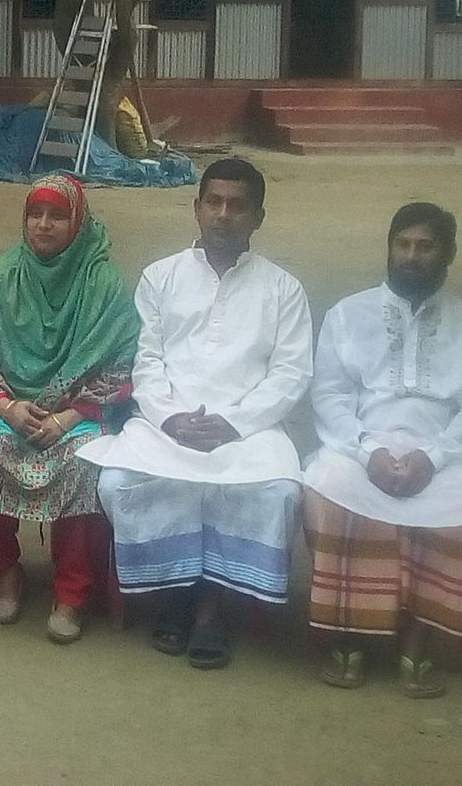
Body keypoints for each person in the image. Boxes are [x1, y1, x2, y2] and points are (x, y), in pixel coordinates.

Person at [78, 157, 311, 670]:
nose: (224, 215)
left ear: (258, 217)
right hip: (168, 423)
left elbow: (291, 373)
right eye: (214, 202)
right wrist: (169, 418)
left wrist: (235, 424)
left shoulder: (283, 289)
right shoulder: (160, 277)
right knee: (121, 483)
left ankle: (213, 606)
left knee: (276, 491)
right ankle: (176, 594)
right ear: (197, 208)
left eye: (237, 206)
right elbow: (146, 360)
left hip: (249, 429)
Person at [302, 203, 462, 698]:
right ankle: (351, 634)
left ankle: (417, 639)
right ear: (389, 248)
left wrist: (432, 459)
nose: (412, 256)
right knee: (327, 487)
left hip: (445, 456)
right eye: (402, 244)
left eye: (426, 246)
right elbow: (330, 397)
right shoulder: (347, 315)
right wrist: (369, 451)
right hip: (361, 447)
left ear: (449, 254)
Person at [0, 173, 141, 643]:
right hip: (13, 406)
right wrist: (7, 406)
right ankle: (5, 571)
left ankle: (72, 592)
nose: (43, 225)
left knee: (86, 462)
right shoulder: (1, 279)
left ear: (78, 223)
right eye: (35, 214)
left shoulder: (103, 284)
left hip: (81, 412)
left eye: (57, 216)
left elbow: (122, 364)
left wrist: (68, 416)